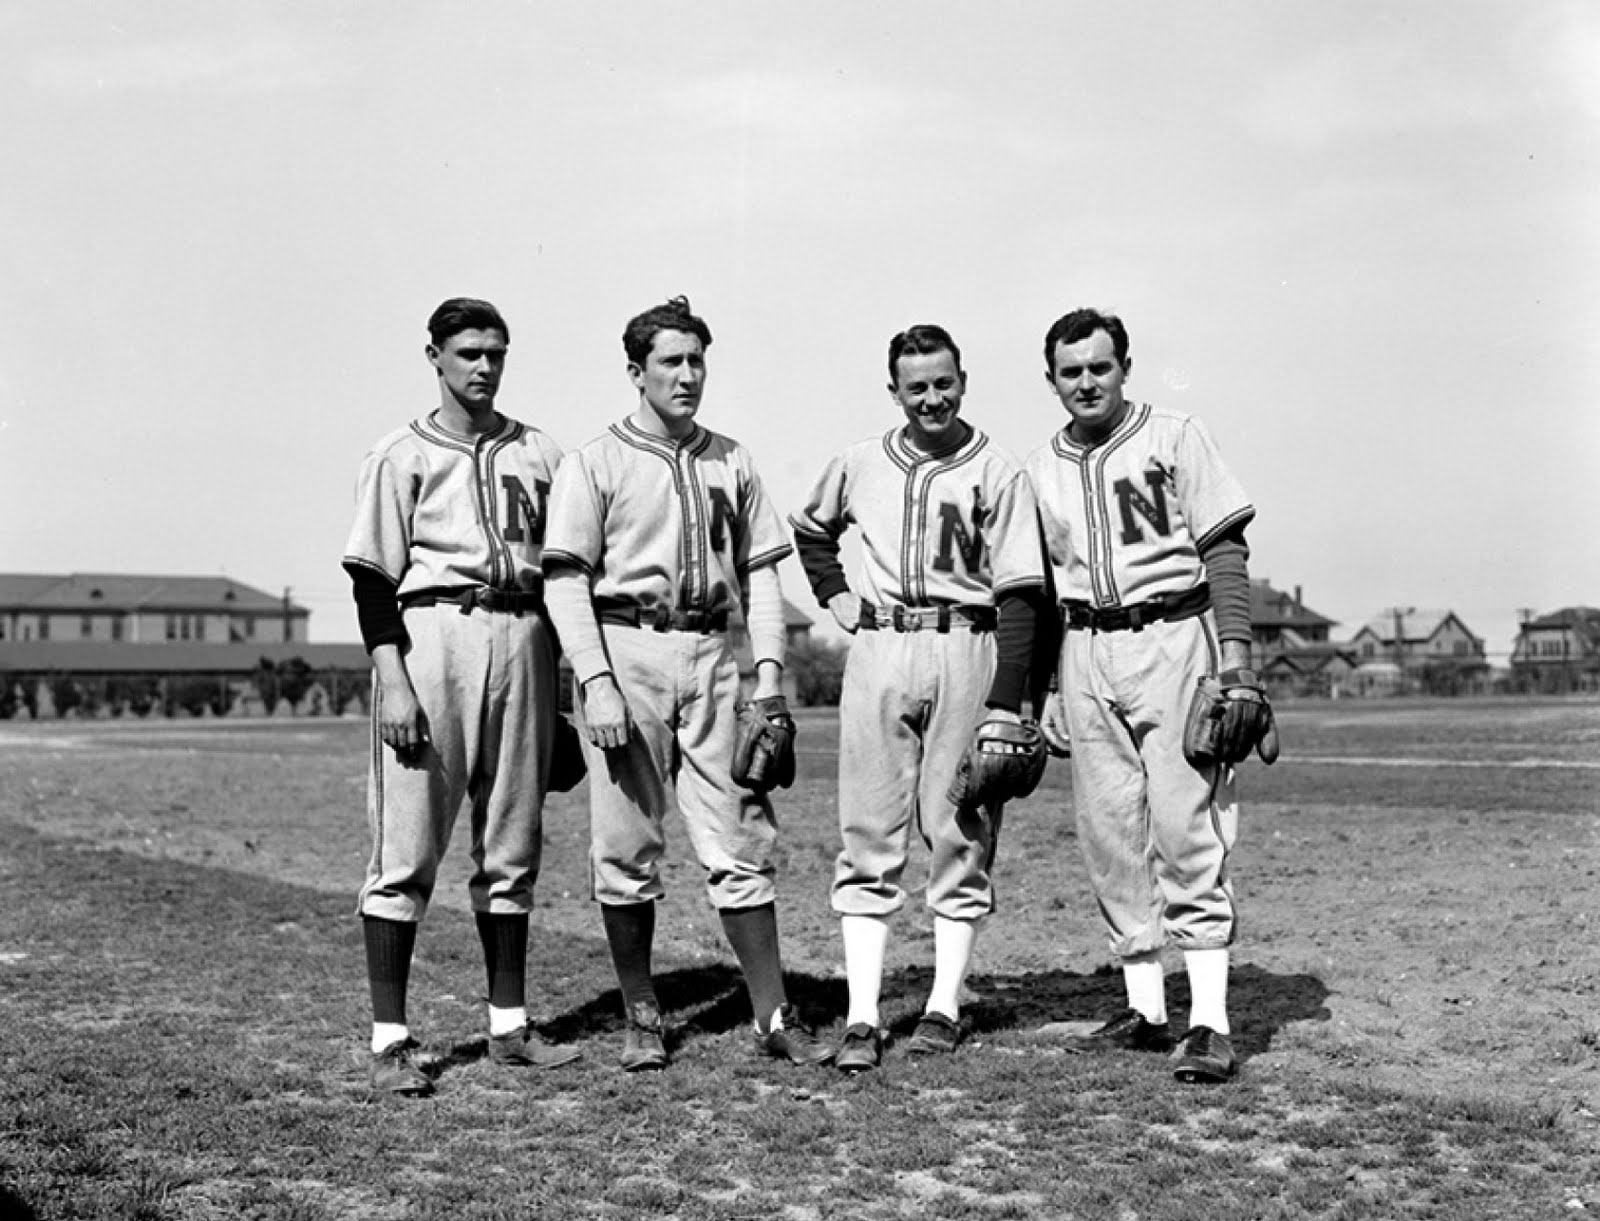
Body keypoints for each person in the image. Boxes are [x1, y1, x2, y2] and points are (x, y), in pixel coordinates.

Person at [541, 296, 833, 1072]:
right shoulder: (596, 460)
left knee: (741, 830)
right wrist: (595, 680)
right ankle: (643, 1013)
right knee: (626, 842)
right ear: (635, 372)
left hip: (709, 651)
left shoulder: (730, 458)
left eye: (697, 360)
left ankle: (773, 1013)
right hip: (626, 647)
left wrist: (768, 678)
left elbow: (764, 575)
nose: (688, 374)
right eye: (670, 361)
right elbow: (564, 581)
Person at [790, 324, 1047, 1073]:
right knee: (867, 829)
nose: (932, 398)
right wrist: (834, 592)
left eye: (943, 383)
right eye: (916, 387)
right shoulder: (861, 461)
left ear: (963, 381)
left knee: (960, 826)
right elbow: (811, 530)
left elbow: (1021, 592)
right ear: (894, 391)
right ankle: (863, 1016)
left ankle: (943, 1005)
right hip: (882, 643)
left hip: (967, 640)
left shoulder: (997, 468)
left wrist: (1005, 700)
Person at [341, 298, 582, 1096]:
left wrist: (560, 692)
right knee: (406, 850)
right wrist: (394, 683)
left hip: (526, 635)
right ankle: (389, 1040)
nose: (484, 365)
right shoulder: (400, 453)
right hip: (433, 635)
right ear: (435, 356)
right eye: (469, 351)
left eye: (495, 352)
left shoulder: (540, 451)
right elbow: (371, 581)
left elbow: (566, 575)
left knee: (512, 843)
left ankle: (509, 1027)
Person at [1024, 307, 1266, 1084]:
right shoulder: (1040, 467)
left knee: (1186, 824)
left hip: (1172, 634)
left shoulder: (1174, 435)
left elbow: (1223, 548)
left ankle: (1210, 1021)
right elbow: (1040, 594)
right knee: (1110, 833)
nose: (1086, 382)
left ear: (1125, 368)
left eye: (1100, 366)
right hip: (1085, 646)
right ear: (1052, 379)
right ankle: (1144, 1008)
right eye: (1071, 371)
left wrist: (1237, 660)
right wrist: (1045, 687)